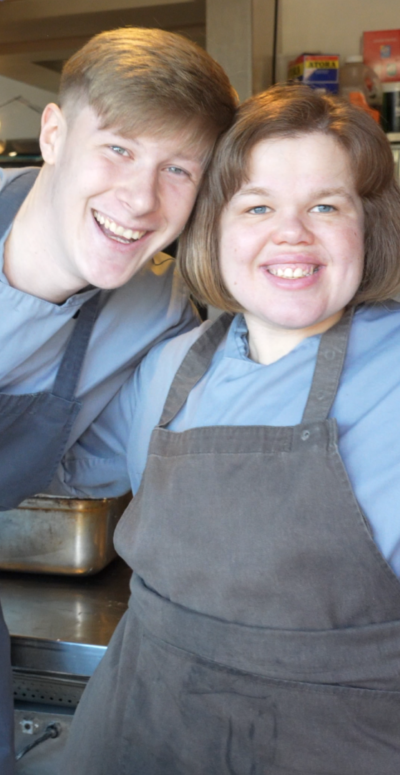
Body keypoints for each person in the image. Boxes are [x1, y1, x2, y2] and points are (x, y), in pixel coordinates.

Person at [58, 84, 400, 774]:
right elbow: (58, 466)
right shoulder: (167, 366)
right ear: (214, 228)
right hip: (131, 736)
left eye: (326, 206)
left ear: (369, 227)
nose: (292, 233)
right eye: (258, 206)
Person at [0, 27, 236, 774]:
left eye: (179, 168)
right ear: (54, 134)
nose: (140, 199)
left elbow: (101, 466)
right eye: (119, 149)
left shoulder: (158, 311)